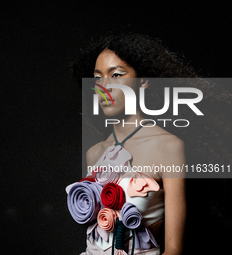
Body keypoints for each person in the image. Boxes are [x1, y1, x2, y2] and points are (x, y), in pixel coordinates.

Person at [70, 32, 232, 255]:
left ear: (143, 81)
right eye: (98, 77)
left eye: (116, 75)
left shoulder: (167, 147)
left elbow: (174, 249)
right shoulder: (94, 153)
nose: (104, 86)